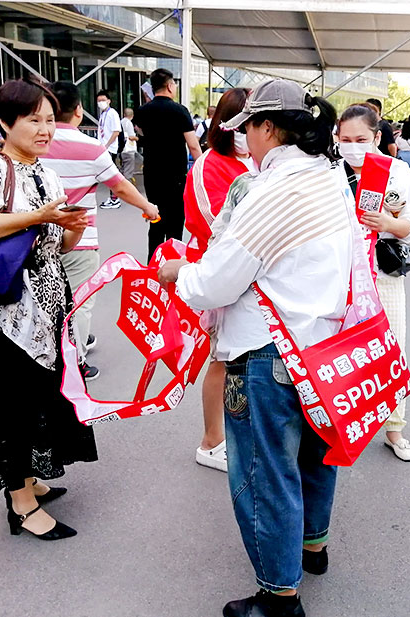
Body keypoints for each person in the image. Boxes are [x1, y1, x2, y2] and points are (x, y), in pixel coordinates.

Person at [158, 79, 345, 617]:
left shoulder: (273, 190)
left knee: (265, 472)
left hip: (269, 348)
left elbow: (219, 280)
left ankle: (278, 597)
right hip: (319, 343)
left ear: (267, 127)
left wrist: (179, 274)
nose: (246, 144)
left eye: (250, 132)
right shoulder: (329, 173)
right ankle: (313, 546)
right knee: (314, 453)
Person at [0, 77, 96, 541]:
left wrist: (71, 225)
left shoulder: (45, 172)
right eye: (34, 119)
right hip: (6, 313)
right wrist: (40, 216)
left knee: (40, 400)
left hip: (50, 307)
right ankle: (19, 502)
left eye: (50, 120)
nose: (45, 129)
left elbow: (58, 242)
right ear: (4, 122)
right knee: (10, 406)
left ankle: (29, 478)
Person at [43, 80, 160, 382]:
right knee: (79, 302)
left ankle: (51, 354)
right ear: (78, 110)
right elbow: (119, 186)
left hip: (38, 239)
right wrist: (147, 207)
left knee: (46, 300)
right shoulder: (90, 147)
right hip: (81, 239)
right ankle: (75, 363)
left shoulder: (35, 144)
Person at [337, 103, 410, 461]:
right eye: (345, 139)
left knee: (391, 347)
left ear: (377, 137)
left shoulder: (395, 172)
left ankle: (394, 427)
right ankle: (337, 422)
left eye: (361, 138)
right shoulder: (330, 172)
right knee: (338, 350)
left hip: (382, 274)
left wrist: (388, 225)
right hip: (338, 276)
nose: (353, 145)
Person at [181, 88, 255, 473]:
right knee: (220, 359)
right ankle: (211, 440)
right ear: (226, 125)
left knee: (236, 357)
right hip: (218, 271)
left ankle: (228, 433)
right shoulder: (210, 164)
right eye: (244, 122)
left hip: (244, 272)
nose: (250, 130)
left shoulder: (251, 161)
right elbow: (216, 227)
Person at [134, 68, 203, 258]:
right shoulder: (180, 111)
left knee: (155, 222)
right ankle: (172, 267)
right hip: (176, 177)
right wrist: (202, 169)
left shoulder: (143, 111)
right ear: (170, 86)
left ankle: (152, 267)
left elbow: (140, 132)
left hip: (152, 175)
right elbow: (193, 146)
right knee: (174, 225)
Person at [95, 90, 123, 209]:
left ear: (109, 101)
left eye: (103, 100)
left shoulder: (112, 114)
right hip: (103, 148)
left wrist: (107, 145)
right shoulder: (103, 114)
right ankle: (112, 197)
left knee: (110, 174)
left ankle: (115, 198)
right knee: (107, 174)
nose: (101, 103)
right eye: (99, 101)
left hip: (109, 148)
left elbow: (116, 131)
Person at [119, 107, 141, 183]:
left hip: (122, 149)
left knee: (123, 168)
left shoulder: (120, 122)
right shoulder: (128, 123)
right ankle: (127, 187)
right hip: (129, 149)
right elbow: (131, 137)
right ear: (132, 115)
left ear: (124, 114)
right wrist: (138, 138)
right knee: (128, 171)